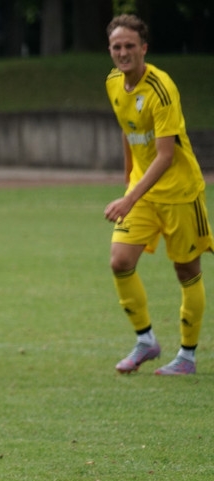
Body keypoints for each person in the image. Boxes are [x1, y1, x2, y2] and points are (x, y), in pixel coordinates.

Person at [103, 14, 211, 376]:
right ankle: (146, 340)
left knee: (186, 270)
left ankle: (187, 356)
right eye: (116, 47)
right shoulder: (113, 83)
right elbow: (128, 130)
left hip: (180, 193)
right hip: (142, 191)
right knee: (120, 261)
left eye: (129, 46)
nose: (123, 53)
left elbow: (165, 156)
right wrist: (128, 185)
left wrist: (129, 198)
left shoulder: (162, 89)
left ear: (144, 48)